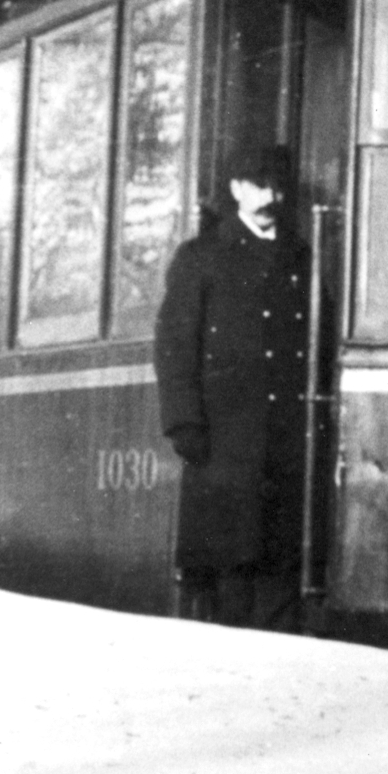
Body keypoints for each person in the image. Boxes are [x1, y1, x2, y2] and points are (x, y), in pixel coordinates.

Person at [152, 143, 311, 625]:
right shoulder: (201, 257)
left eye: (277, 187)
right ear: (237, 189)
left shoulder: (300, 257)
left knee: (279, 570)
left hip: (284, 442)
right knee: (229, 575)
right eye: (259, 185)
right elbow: (175, 346)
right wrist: (185, 424)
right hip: (223, 443)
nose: (270, 196)